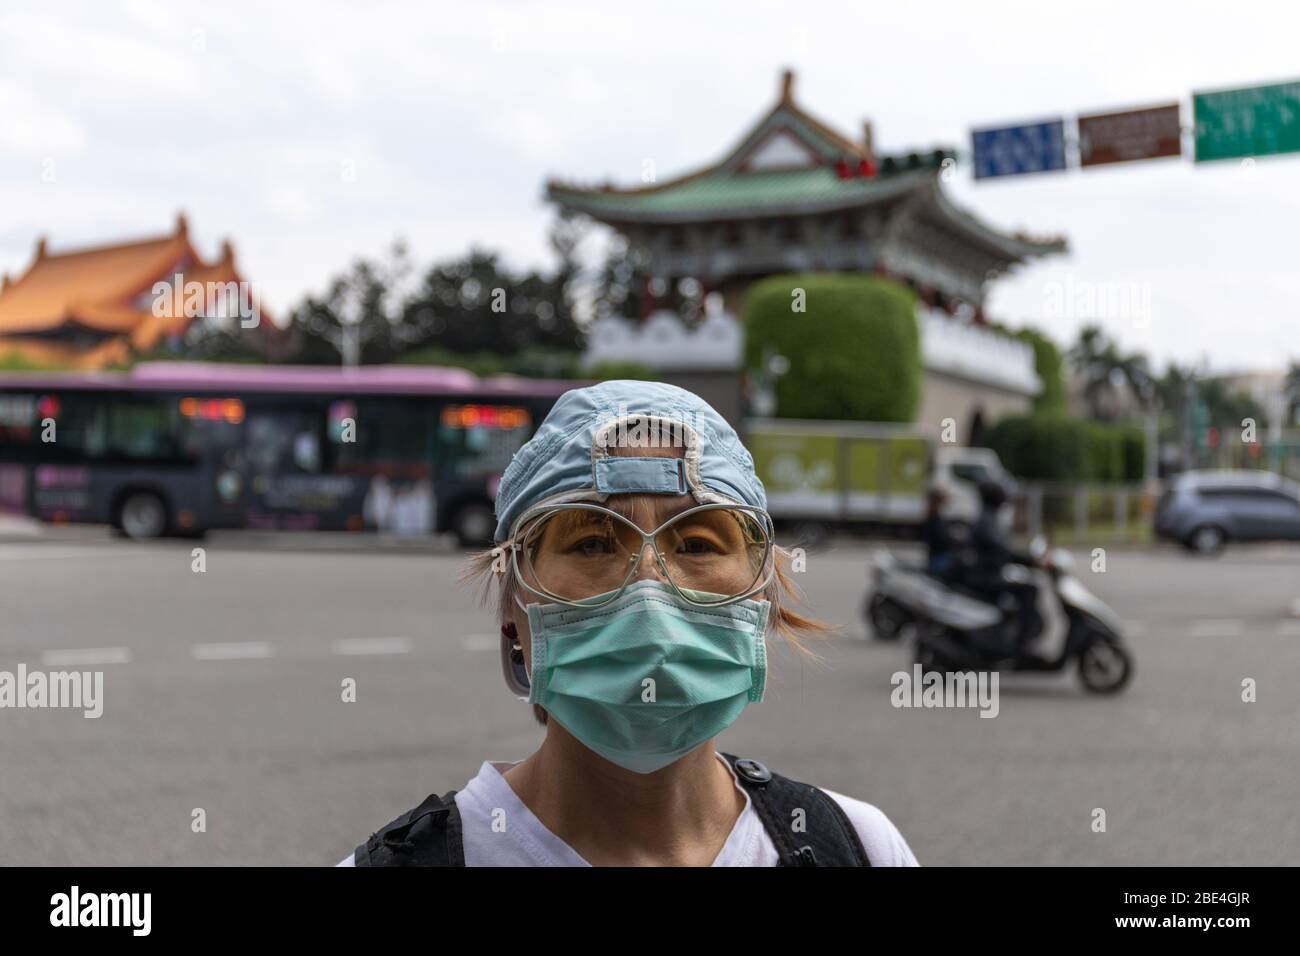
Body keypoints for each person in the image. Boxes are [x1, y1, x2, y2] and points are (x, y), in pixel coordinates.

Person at [339, 380, 917, 867]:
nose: (650, 588)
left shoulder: (857, 847)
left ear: (761, 593)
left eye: (696, 542)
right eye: (592, 543)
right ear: (514, 608)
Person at [962, 479, 1041, 651]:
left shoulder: (987, 517)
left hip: (987, 573)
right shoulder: (987, 521)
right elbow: (1002, 550)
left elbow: (1002, 549)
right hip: (985, 577)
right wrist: (1032, 561)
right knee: (1030, 590)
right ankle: (1021, 644)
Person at [919, 485, 955, 579]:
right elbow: (939, 537)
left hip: (936, 555)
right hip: (939, 557)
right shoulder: (934, 516)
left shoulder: (933, 514)